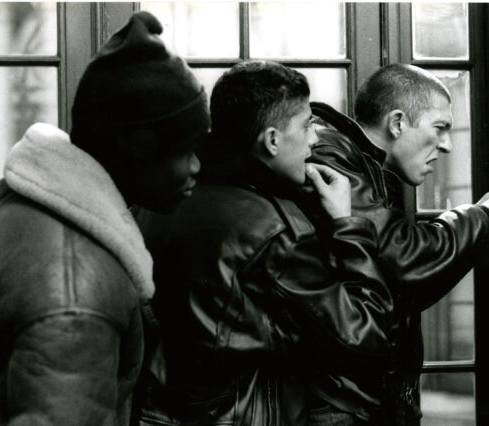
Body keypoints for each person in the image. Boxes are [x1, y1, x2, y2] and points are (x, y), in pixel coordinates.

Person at [0, 11, 209, 425]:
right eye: (186, 150)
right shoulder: (78, 289)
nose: (199, 167)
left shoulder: (15, 200)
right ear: (138, 149)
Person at [133, 60, 395, 426]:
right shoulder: (277, 230)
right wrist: (347, 224)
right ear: (272, 140)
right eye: (306, 127)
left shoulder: (155, 203)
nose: (315, 141)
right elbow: (365, 338)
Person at [306, 63, 489, 425]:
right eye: (440, 128)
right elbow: (403, 261)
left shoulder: (363, 164)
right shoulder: (334, 158)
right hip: (341, 407)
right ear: (398, 122)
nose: (448, 145)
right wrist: (484, 215)